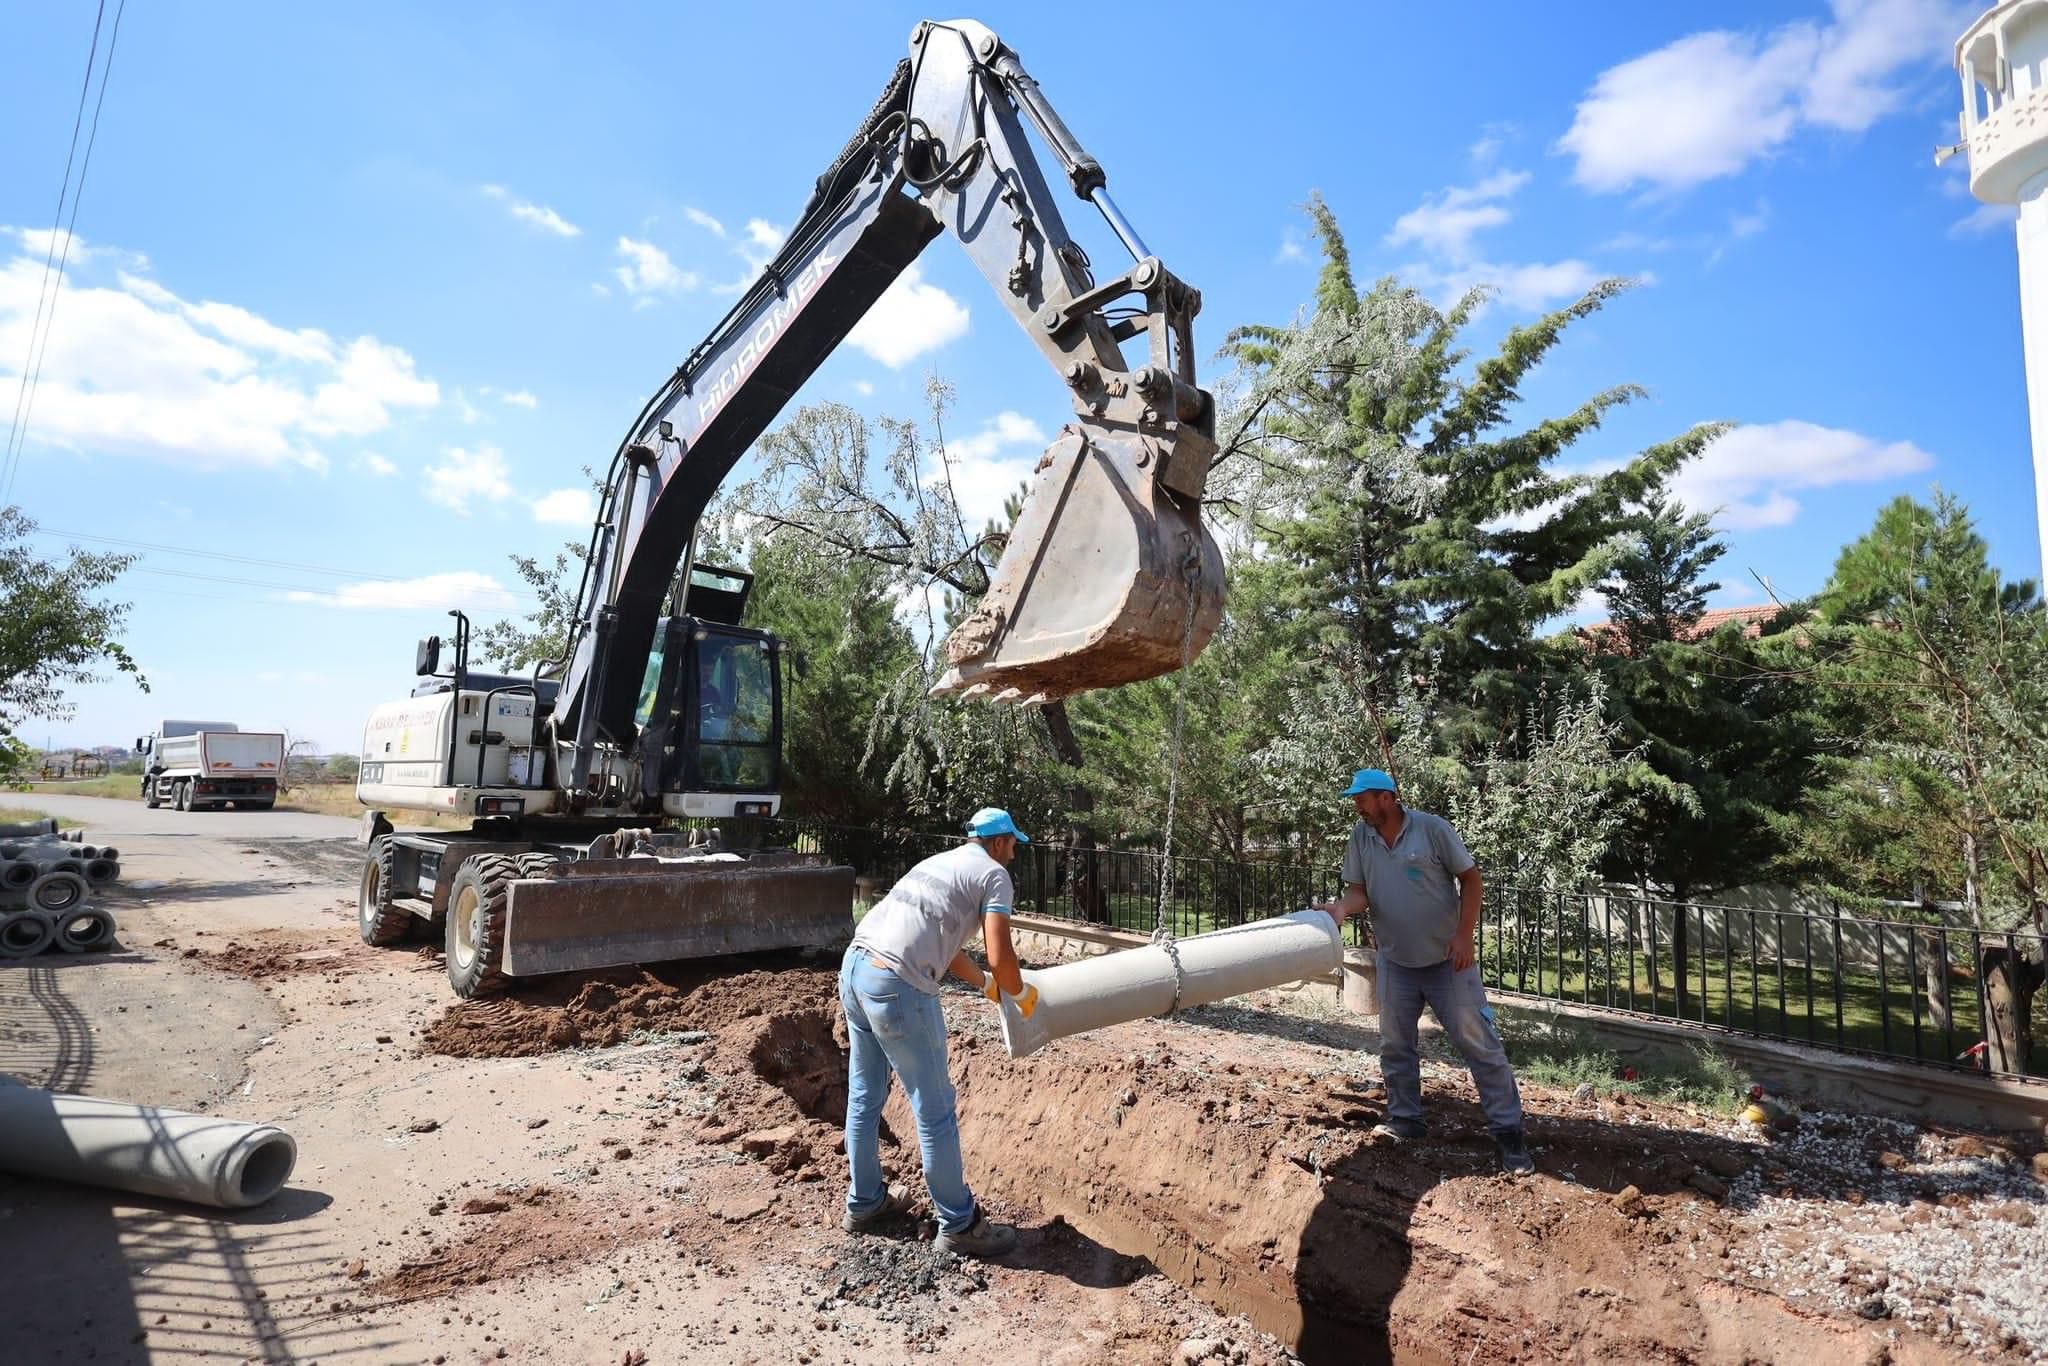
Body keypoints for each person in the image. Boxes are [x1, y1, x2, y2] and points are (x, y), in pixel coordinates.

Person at [839, 807, 1040, 1257]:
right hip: (898, 984)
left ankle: (865, 1203)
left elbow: (947, 949)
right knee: (934, 1110)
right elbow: (1000, 953)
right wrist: (1018, 992)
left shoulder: (938, 863)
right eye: (1012, 846)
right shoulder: (993, 876)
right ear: (998, 842)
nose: (1012, 856)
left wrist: (986, 987)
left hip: (856, 968)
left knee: (865, 1094)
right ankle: (960, 1223)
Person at [1313, 768, 1535, 1176]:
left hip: (1449, 963)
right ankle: (1406, 1120)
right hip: (1396, 961)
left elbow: (1470, 878)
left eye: (1361, 799)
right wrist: (1341, 909)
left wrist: (1464, 936)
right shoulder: (1361, 837)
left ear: (1385, 798)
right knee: (1396, 1045)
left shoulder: (1432, 830)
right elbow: (1360, 891)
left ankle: (1509, 1135)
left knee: (1480, 1045)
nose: (1357, 806)